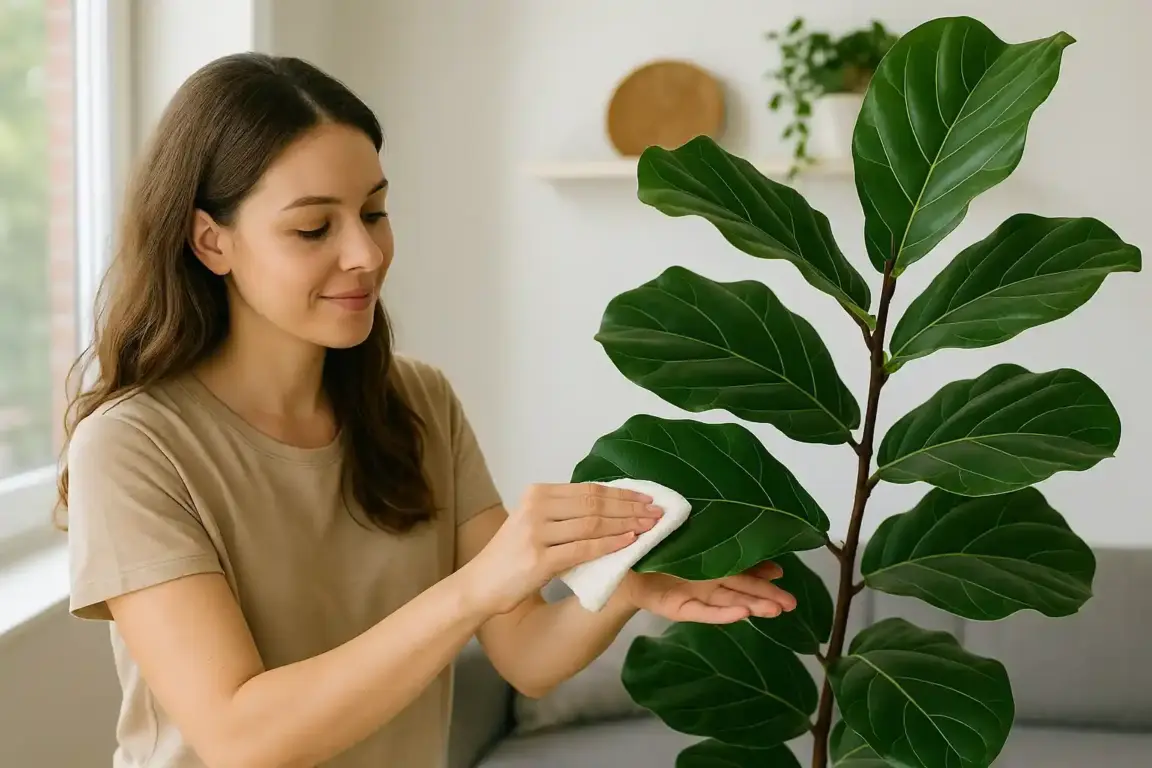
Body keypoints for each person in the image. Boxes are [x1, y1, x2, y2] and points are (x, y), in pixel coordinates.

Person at [58, 52, 798, 768]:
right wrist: (476, 589)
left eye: (374, 212)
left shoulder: (417, 403)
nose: (366, 254)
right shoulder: (131, 448)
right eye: (314, 228)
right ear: (210, 240)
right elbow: (242, 738)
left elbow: (527, 657)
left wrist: (623, 588)